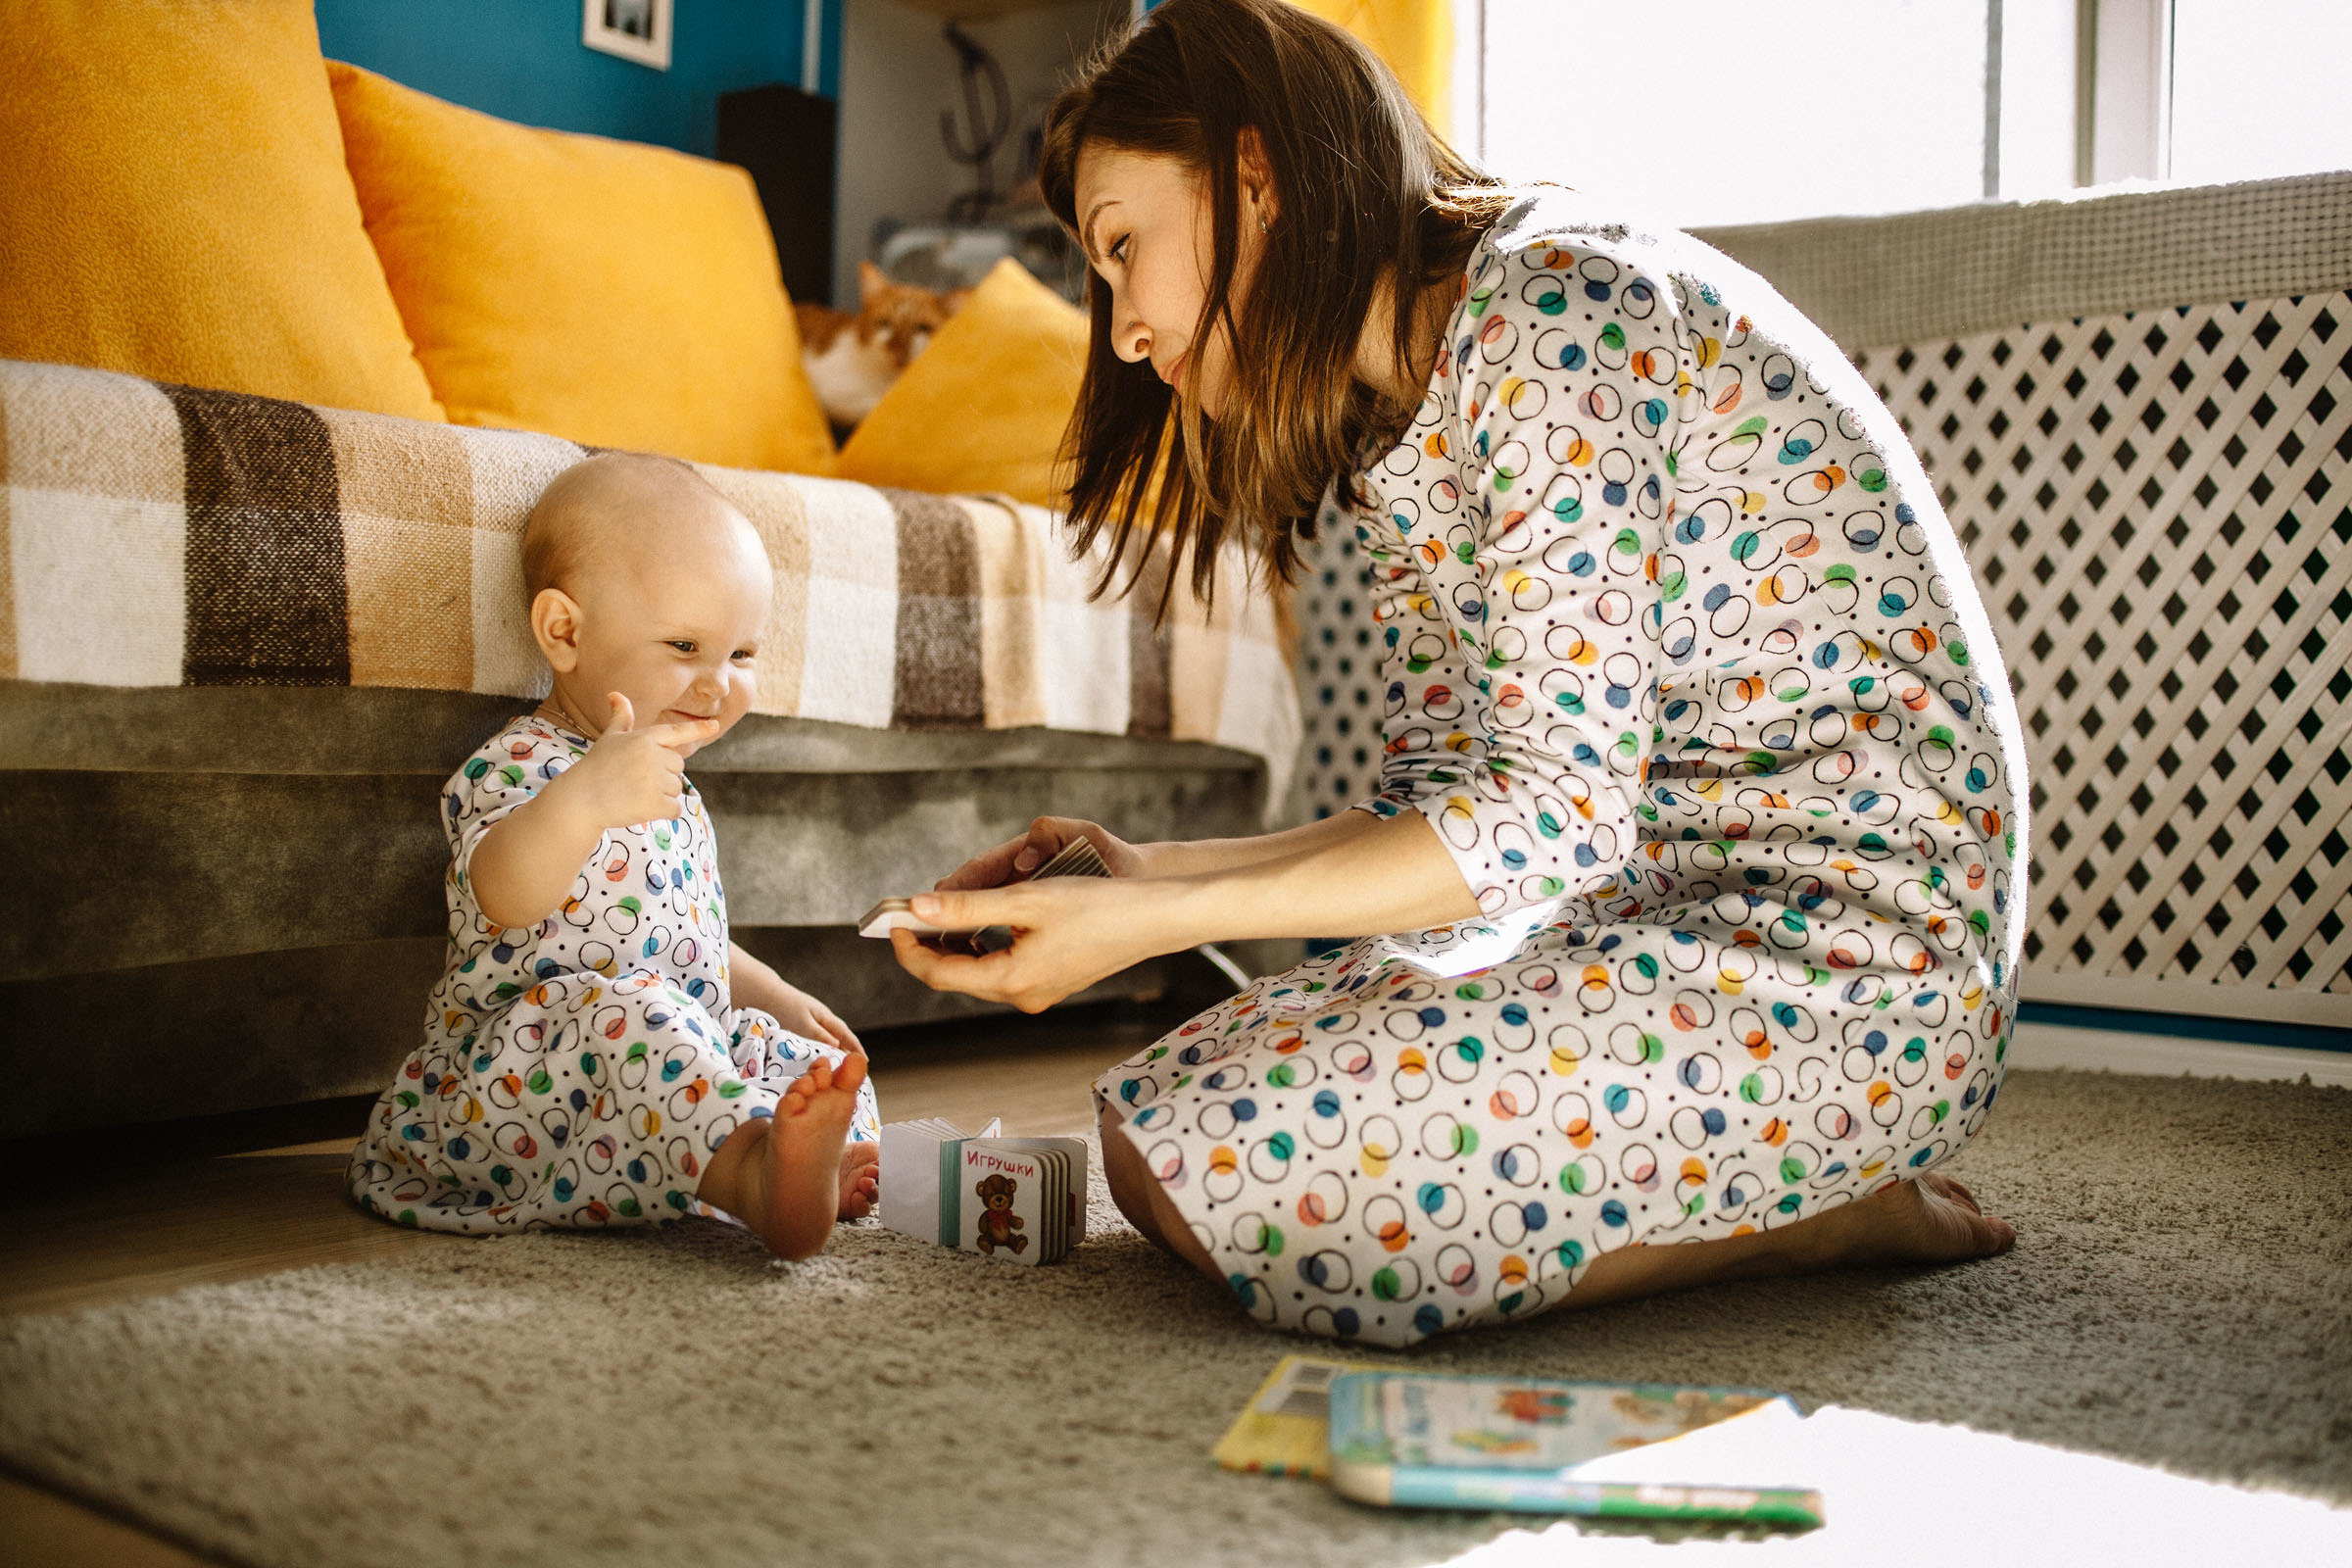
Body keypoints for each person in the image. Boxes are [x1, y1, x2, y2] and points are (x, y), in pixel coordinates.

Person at [892, 0, 2029, 1347]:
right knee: (1155, 1118)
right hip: (1650, 921)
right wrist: (1152, 879)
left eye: (1122, 246)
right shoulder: (1412, 405)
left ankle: (1816, 1212)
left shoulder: (1553, 313)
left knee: (1229, 1178)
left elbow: (1552, 817)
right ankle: (1751, 1182)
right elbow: (1462, 815)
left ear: (1252, 173)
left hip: (1852, 971)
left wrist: (1133, 932)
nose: (1125, 328)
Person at [349, 453, 879, 1260]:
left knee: (804, 1058)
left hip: (657, 1055)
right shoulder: (524, 766)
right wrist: (586, 797)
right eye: (684, 645)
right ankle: (754, 1179)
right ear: (564, 631)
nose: (716, 685)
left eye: (740, 656)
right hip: (523, 1079)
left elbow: (683, 928)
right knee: (635, 1018)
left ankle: (809, 1160)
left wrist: (772, 991)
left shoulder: (672, 786)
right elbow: (502, 894)